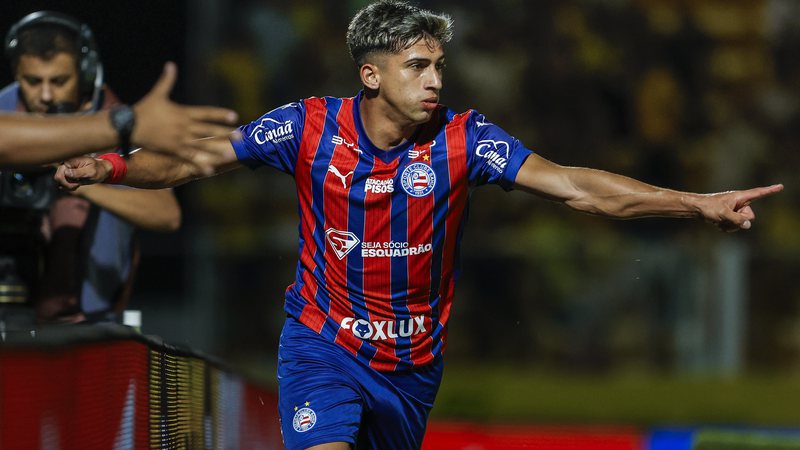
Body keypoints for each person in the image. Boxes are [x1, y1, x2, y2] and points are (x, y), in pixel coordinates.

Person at [56, 1, 783, 448]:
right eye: (416, 65)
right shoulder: (306, 127)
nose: (435, 79)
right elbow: (195, 161)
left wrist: (695, 203)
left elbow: (575, 187)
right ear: (371, 75)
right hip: (321, 344)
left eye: (438, 64)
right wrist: (111, 166)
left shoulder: (466, 140)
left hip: (412, 367)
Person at [0, 11, 184, 324]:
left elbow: (167, 215)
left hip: (90, 318)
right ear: (16, 74)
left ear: (85, 74)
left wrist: (84, 184)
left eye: (59, 81)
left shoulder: (115, 121)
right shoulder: (5, 112)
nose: (46, 95)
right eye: (32, 81)